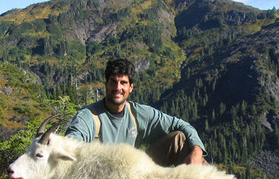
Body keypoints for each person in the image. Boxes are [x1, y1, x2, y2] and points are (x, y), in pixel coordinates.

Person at [65, 58, 207, 167]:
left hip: (134, 173)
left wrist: (197, 151)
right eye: (113, 82)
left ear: (131, 87)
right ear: (106, 85)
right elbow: (71, 143)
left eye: (123, 83)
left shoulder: (138, 113)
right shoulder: (89, 116)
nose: (117, 87)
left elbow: (182, 125)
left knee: (179, 139)